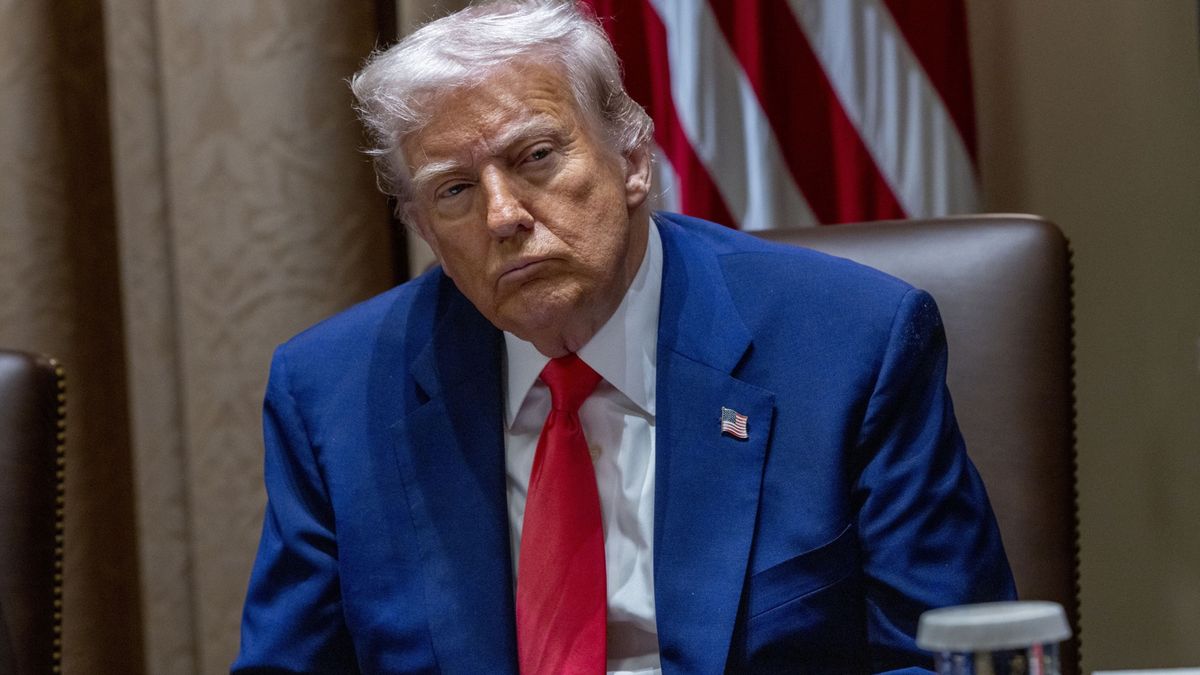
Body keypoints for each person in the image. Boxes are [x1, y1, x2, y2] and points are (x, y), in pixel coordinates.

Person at [232, 1, 1015, 673]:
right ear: (423, 228)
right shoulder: (332, 397)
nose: (502, 216)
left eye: (536, 157)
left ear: (633, 158)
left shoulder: (849, 346)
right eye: (455, 190)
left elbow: (951, 657)